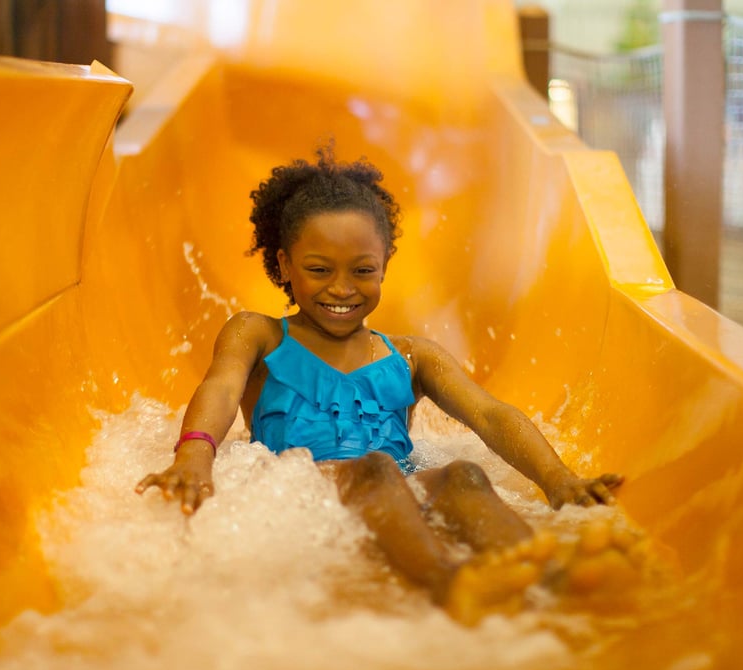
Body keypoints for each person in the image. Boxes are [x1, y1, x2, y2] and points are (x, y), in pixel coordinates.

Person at [136, 144, 624, 625]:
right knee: (375, 468)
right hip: (307, 494)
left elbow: (490, 414)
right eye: (319, 270)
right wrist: (194, 457)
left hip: (394, 491)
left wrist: (558, 480)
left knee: (462, 476)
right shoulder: (259, 334)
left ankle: (545, 573)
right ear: (285, 266)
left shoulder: (412, 356)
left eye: (363, 271)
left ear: (385, 263)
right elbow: (221, 389)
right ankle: (449, 580)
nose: (343, 288)